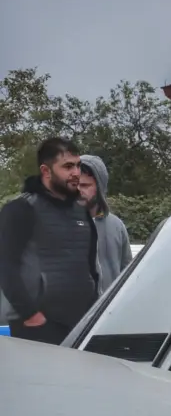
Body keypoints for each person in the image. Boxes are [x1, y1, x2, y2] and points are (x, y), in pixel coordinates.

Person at [0, 137, 100, 344]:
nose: (76, 173)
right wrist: (30, 315)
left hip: (81, 323)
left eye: (78, 165)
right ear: (46, 171)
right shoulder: (20, 209)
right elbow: (5, 267)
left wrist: (95, 310)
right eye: (68, 166)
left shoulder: (82, 212)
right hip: (37, 326)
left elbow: (91, 268)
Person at [77, 155, 133, 292]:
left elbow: (128, 276)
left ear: (100, 188)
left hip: (112, 305)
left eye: (84, 185)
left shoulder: (116, 226)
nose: (78, 190)